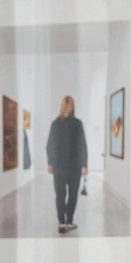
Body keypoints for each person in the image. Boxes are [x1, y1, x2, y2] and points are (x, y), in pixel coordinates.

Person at [46, 95, 89, 233]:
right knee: (66, 195)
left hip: (67, 167)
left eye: (69, 105)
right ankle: (65, 221)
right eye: (68, 105)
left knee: (66, 195)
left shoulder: (62, 124)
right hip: (68, 167)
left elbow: (82, 145)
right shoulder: (68, 124)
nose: (68, 107)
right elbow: (51, 145)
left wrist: (84, 165)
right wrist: (50, 163)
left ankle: (65, 222)